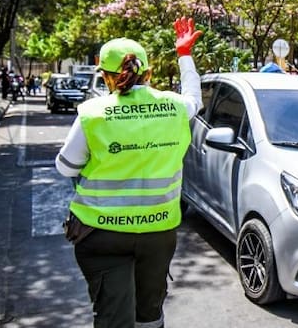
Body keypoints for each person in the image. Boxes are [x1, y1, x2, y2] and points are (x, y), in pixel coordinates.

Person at [55, 17, 203, 328]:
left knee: (113, 318)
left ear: (107, 77)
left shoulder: (93, 114)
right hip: (158, 232)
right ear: (148, 73)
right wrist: (184, 54)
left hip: (101, 232)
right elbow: (195, 98)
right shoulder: (175, 107)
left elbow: (65, 166)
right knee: (149, 314)